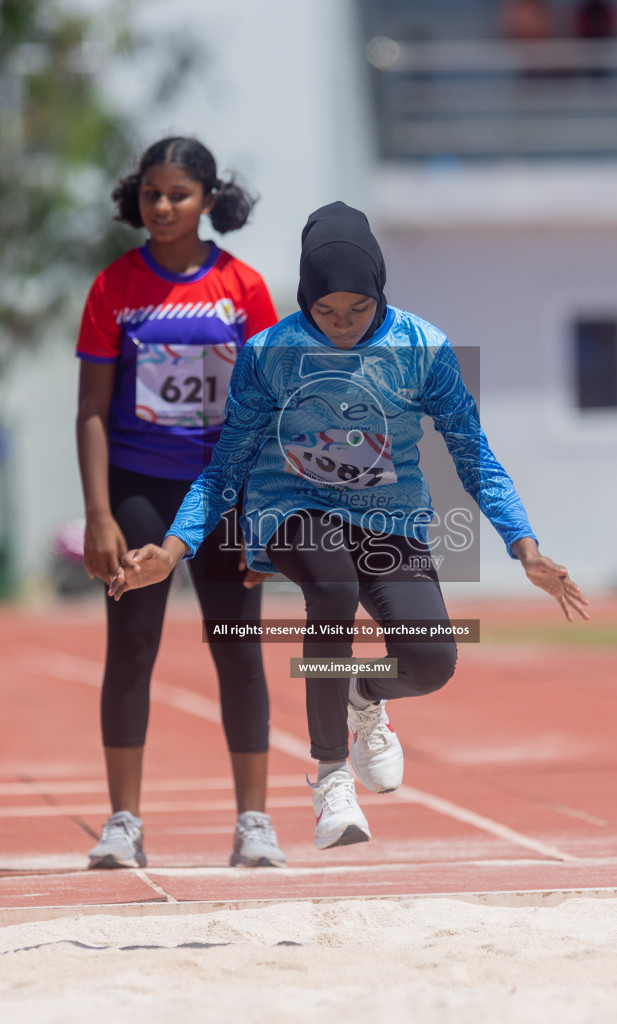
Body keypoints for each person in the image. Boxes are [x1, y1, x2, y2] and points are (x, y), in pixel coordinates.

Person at [108, 201, 589, 852]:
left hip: (390, 520)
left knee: (432, 660)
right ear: (304, 296)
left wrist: (523, 546)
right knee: (330, 589)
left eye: (357, 311)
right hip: (290, 510)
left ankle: (364, 693)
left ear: (379, 293)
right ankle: (331, 775)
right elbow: (225, 469)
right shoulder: (269, 354)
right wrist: (174, 547)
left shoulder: (422, 348)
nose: (341, 326)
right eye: (325, 312)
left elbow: (473, 454)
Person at [76, 136, 286, 869]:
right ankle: (124, 822)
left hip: (225, 491)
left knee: (238, 648)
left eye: (177, 195)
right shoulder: (113, 289)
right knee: (132, 646)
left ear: (208, 200)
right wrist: (99, 513)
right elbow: (92, 411)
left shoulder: (244, 289)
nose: (161, 207)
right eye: (150, 195)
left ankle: (254, 821)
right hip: (139, 488)